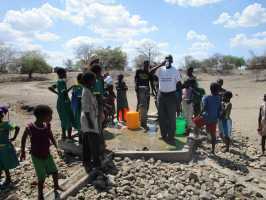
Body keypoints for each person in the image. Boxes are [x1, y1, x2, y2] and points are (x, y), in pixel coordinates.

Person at [20, 105, 63, 200]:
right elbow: (23, 139)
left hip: (47, 154)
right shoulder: (30, 127)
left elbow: (51, 136)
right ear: (41, 116)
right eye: (49, 116)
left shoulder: (46, 126)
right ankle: (40, 195)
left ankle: (56, 186)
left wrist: (57, 148)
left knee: (55, 171)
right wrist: (22, 151)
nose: (51, 118)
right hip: (36, 156)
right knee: (41, 178)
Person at [150, 55, 182, 141]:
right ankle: (163, 134)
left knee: (171, 117)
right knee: (162, 116)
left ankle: (171, 136)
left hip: (171, 95)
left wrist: (178, 100)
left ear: (172, 61)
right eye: (166, 59)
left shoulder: (175, 71)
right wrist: (160, 65)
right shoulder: (160, 70)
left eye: (169, 60)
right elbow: (151, 72)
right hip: (161, 95)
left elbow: (179, 85)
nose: (167, 61)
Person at [81, 71, 101, 170]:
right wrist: (90, 122)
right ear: (89, 81)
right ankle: (96, 162)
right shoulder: (86, 92)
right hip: (88, 119)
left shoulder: (88, 90)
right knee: (93, 141)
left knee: (87, 141)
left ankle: (87, 161)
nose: (95, 81)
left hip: (90, 118)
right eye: (94, 79)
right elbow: (86, 108)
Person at [193, 83, 221, 154]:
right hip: (214, 118)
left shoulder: (206, 97)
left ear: (210, 89)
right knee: (213, 134)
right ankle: (213, 150)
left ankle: (197, 139)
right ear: (218, 90)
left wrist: (199, 115)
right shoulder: (218, 98)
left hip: (206, 117)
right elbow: (219, 108)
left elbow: (204, 107)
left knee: (195, 125)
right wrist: (218, 116)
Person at [49, 68, 74, 140]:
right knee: (69, 118)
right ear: (61, 74)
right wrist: (72, 86)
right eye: (65, 73)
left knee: (63, 119)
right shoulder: (62, 82)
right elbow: (65, 92)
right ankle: (69, 136)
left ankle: (63, 135)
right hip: (65, 102)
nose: (66, 74)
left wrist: (58, 93)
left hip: (60, 102)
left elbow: (50, 88)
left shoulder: (58, 82)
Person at [0, 106, 20, 187]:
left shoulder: (7, 124)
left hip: (5, 147)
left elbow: (17, 127)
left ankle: (8, 179)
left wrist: (14, 137)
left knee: (5, 164)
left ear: (1, 116)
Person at [135, 60, 152, 130]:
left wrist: (153, 91)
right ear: (143, 64)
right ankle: (137, 117)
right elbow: (136, 79)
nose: (146, 66)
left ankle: (144, 117)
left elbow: (151, 82)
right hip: (140, 89)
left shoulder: (149, 72)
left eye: (147, 65)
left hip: (147, 89)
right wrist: (136, 86)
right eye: (145, 64)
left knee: (147, 104)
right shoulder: (138, 71)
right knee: (139, 103)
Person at [70, 73, 83, 142]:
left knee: (78, 123)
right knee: (81, 123)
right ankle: (81, 139)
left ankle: (81, 138)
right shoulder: (82, 87)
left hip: (76, 107)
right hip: (80, 107)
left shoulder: (76, 87)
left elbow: (73, 98)